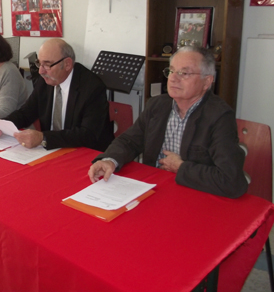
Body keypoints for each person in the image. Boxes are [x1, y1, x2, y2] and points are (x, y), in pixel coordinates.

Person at [88, 46, 248, 199]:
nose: (173, 78)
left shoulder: (219, 116)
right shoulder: (158, 105)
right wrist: (109, 160)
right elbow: (130, 141)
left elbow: (231, 181)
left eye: (184, 73)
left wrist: (180, 167)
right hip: (154, 188)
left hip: (195, 194)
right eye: (171, 71)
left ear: (207, 82)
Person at [0, 38, 114, 152]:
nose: (41, 71)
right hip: (53, 150)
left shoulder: (92, 87)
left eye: (47, 64)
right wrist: (3, 124)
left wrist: (44, 138)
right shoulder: (46, 81)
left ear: (67, 64)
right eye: (39, 63)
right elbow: (26, 113)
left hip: (85, 153)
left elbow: (87, 134)